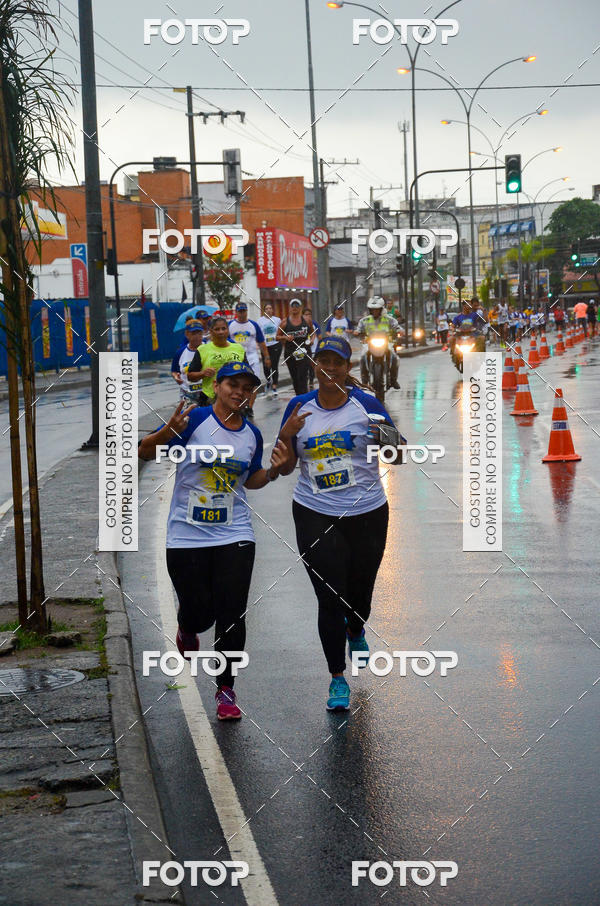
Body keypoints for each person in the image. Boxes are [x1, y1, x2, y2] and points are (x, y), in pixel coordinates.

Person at [138, 362, 289, 720]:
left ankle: (226, 690)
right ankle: (187, 628)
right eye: (232, 384)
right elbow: (144, 452)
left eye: (246, 387)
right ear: (217, 387)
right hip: (186, 536)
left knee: (232, 614)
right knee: (199, 613)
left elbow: (250, 479)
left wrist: (273, 472)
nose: (239, 392)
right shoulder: (193, 420)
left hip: (235, 534)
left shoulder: (251, 434)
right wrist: (165, 435)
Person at [276, 336, 404, 711]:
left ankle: (356, 628)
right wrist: (285, 436)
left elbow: (396, 456)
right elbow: (283, 467)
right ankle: (336, 678)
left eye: (337, 362)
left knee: (359, 597)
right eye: (323, 361)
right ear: (315, 365)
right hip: (314, 512)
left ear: (348, 368)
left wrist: (388, 438)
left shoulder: (367, 404)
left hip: (367, 514)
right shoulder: (298, 407)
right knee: (329, 597)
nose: (329, 368)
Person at [187, 316, 246, 407]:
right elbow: (190, 376)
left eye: (223, 328)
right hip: (210, 398)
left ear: (228, 330)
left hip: (235, 398)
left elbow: (248, 373)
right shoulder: (203, 350)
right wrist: (203, 373)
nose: (221, 332)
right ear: (211, 332)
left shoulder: (238, 348)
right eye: (217, 329)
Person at [355, 296, 400, 390]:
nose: (375, 311)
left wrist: (399, 331)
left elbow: (397, 326)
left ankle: (393, 380)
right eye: (373, 310)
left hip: (386, 342)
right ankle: (364, 381)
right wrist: (357, 332)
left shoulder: (388, 319)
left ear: (381, 309)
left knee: (395, 357)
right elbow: (359, 329)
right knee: (362, 357)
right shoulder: (365, 320)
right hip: (369, 343)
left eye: (377, 309)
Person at [277, 298, 313, 395]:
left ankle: (304, 398)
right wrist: (285, 337)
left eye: (297, 306)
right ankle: (298, 396)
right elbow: (277, 337)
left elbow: (312, 332)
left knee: (303, 376)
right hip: (290, 353)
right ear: (290, 308)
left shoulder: (307, 320)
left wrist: (312, 340)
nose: (295, 308)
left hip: (304, 352)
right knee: (295, 378)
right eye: (293, 306)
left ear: (300, 308)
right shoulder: (284, 322)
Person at [228, 302, 271, 381]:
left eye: (244, 311)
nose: (242, 314)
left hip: (252, 357)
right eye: (240, 311)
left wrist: (267, 357)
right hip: (235, 359)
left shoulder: (254, 324)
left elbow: (261, 342)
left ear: (247, 311)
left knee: (254, 382)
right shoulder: (230, 325)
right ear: (236, 312)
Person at [170, 319, 205, 401]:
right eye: (193, 333)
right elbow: (174, 370)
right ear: (187, 334)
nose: (196, 336)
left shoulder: (209, 349)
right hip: (187, 393)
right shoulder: (180, 352)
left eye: (199, 333)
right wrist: (176, 377)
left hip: (206, 393)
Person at [258, 303, 282, 397]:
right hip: (265, 346)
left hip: (276, 345)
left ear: (272, 310)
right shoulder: (260, 321)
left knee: (274, 365)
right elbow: (259, 334)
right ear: (264, 311)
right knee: (266, 366)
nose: (268, 310)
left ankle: (275, 386)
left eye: (270, 308)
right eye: (266, 308)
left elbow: (280, 332)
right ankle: (268, 381)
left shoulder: (277, 320)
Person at [303, 308, 321, 390]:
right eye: (305, 314)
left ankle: (311, 380)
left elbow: (319, 335)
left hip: (313, 349)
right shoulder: (300, 324)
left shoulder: (314, 324)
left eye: (309, 314)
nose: (307, 316)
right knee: (304, 365)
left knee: (311, 366)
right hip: (303, 349)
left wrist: (317, 344)